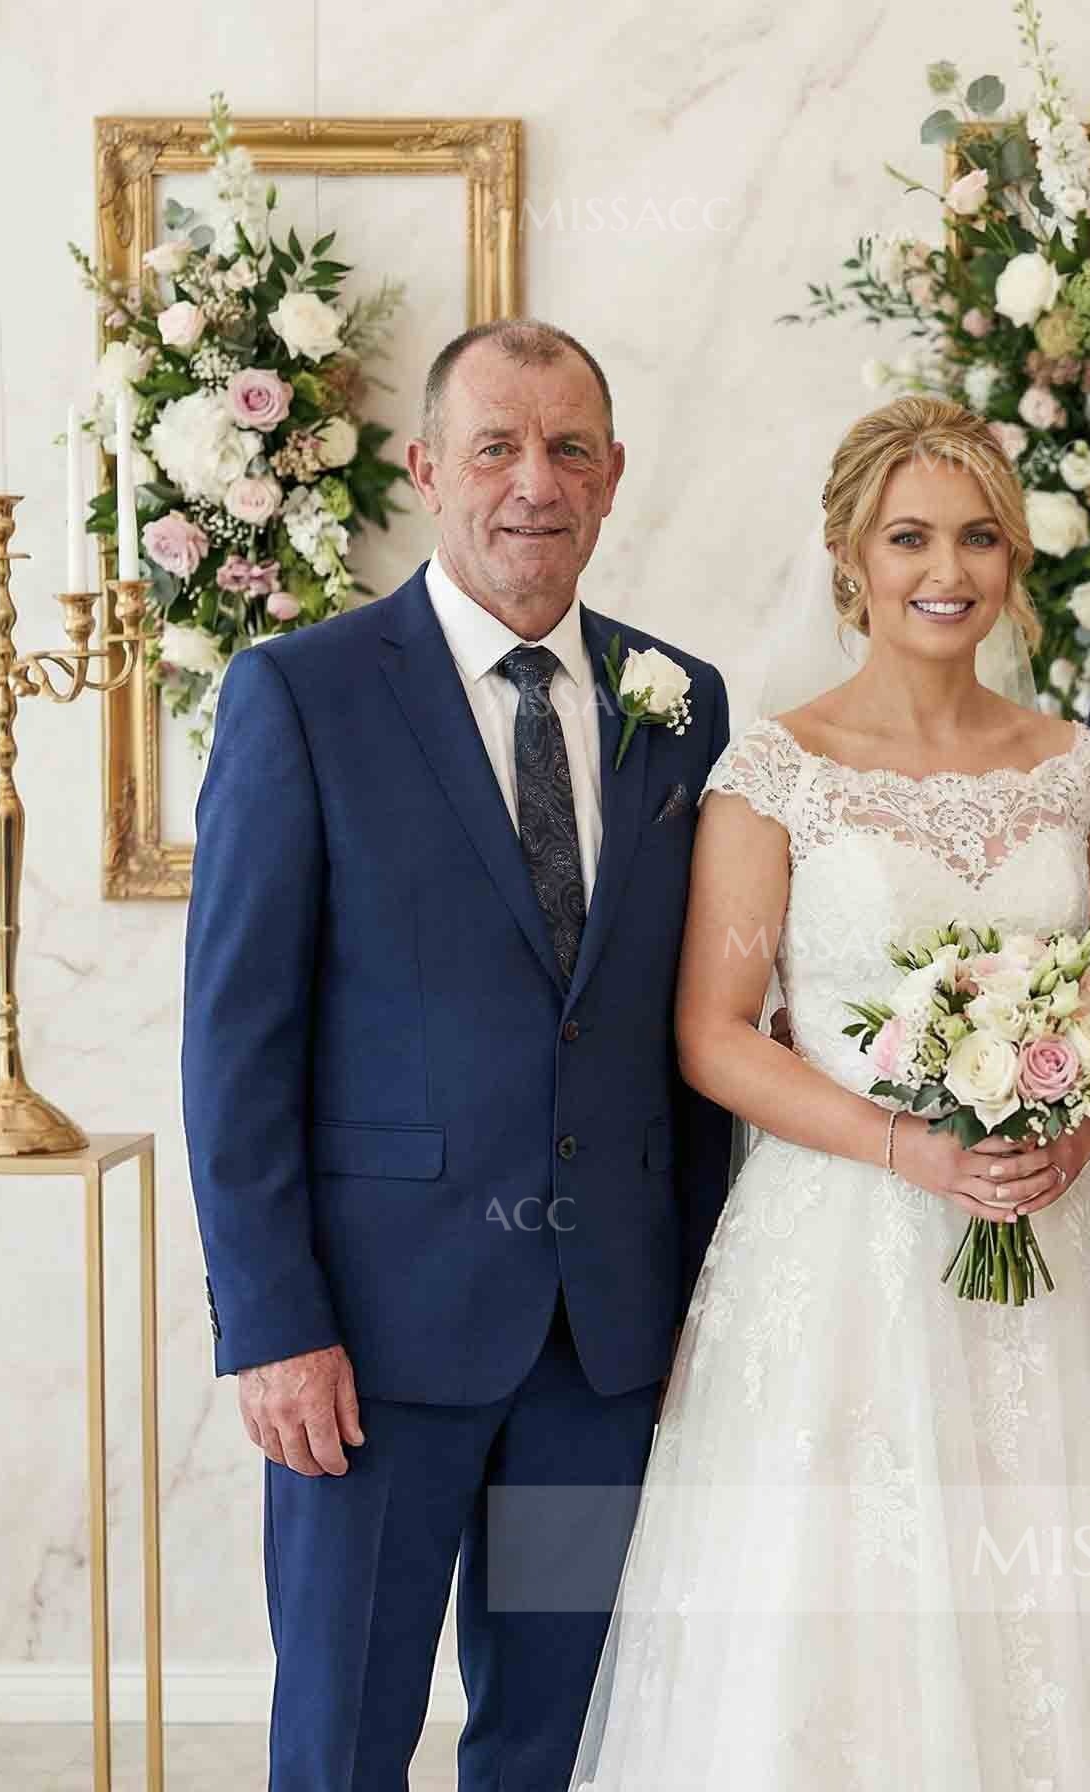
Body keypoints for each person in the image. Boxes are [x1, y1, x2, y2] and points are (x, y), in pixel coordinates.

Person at [569, 395, 1090, 1789]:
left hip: (1048, 1248)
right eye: (910, 537)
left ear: (1015, 560)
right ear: (850, 556)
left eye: (980, 538)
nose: (948, 569)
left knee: (1048, 1611)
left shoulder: (1075, 770)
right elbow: (715, 1035)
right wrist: (912, 1149)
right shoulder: (777, 770)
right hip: (841, 1252)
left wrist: (1071, 1129)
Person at [182, 319, 739, 1789]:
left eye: (568, 450)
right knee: (343, 1739)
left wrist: (693, 1302)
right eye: (496, 447)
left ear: (613, 476)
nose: (533, 484)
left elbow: (689, 1030)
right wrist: (272, 1323)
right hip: (370, 1343)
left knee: (549, 1742)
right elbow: (236, 1041)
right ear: (429, 470)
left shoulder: (683, 703)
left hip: (603, 1346)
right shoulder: (302, 694)